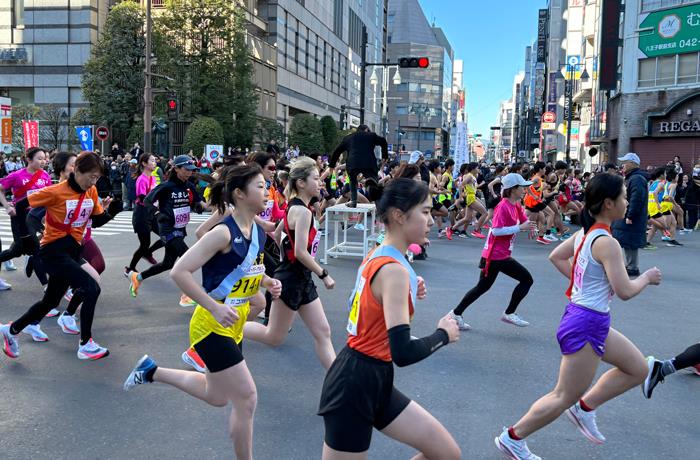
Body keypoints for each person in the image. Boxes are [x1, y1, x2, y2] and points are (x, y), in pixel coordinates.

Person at [495, 173, 662, 460]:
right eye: (623, 197)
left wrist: (583, 284)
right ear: (609, 204)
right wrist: (646, 277)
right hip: (586, 322)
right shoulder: (607, 243)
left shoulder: (585, 233)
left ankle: (584, 408)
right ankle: (513, 438)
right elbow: (624, 291)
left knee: (638, 369)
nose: (626, 201)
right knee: (563, 395)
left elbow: (556, 257)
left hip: (589, 318)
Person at [123, 164, 282, 459]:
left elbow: (244, 271)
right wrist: (213, 307)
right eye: (260, 186)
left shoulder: (257, 230)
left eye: (266, 184)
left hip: (233, 323)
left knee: (217, 396)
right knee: (246, 398)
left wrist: (268, 281)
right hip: (210, 324)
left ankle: (151, 372)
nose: (266, 190)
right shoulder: (222, 233)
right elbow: (180, 272)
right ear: (239, 193)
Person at [318, 178, 461, 460]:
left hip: (376, 379)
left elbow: (371, 302)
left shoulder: (382, 256)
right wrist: (443, 335)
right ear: (398, 215)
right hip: (354, 383)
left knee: (446, 453)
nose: (431, 220)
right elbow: (403, 352)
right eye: (425, 211)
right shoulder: (393, 270)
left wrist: (410, 282)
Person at [1, 152, 122, 360]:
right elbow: (21, 206)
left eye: (96, 177)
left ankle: (11, 331)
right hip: (53, 250)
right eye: (91, 176)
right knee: (91, 286)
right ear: (76, 171)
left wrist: (114, 213)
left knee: (50, 302)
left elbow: (98, 220)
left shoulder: (91, 192)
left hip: (73, 250)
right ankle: (86, 343)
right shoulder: (55, 191)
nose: (93, 181)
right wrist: (25, 237)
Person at [243, 157, 337, 369]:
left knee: (323, 332)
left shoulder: (295, 207)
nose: (320, 182)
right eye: (316, 178)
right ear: (301, 183)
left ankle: (339, 380)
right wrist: (324, 274)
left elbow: (277, 234)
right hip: (292, 280)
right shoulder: (302, 211)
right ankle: (225, 329)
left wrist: (287, 259)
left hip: (299, 278)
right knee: (273, 336)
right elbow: (300, 252)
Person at [448, 173, 536, 331]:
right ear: (512, 189)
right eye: (522, 187)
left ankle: (456, 314)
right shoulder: (503, 206)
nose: (524, 189)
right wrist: (519, 228)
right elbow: (495, 231)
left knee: (482, 287)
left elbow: (524, 221)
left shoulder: (515, 204)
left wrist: (531, 227)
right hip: (495, 256)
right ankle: (509, 313)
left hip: (500, 255)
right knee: (526, 279)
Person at [128, 155, 203, 297]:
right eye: (186, 169)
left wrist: (202, 207)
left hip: (180, 228)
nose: (189, 173)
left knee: (167, 264)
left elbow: (200, 204)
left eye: (191, 170)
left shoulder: (189, 186)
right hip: (168, 229)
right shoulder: (166, 186)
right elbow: (148, 201)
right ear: (176, 169)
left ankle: (137, 277)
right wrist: (157, 214)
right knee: (188, 258)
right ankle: (188, 295)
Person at [0, 147, 52, 280]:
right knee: (18, 250)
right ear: (29, 159)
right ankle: (46, 285)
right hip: (20, 217)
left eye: (44, 159)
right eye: (39, 159)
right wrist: (7, 206)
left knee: (38, 247)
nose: (43, 161)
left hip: (37, 218)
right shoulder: (17, 175)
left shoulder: (45, 176)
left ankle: (44, 280)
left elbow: (50, 197)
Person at [329, 125, 388, 208]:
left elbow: (337, 151)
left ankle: (353, 201)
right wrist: (385, 156)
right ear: (366, 130)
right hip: (369, 162)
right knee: (374, 180)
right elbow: (383, 141)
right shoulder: (371, 135)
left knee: (352, 181)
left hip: (353, 163)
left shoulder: (348, 138)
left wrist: (331, 165)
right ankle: (372, 183)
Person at [125, 153, 164, 277]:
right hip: (142, 214)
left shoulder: (153, 177)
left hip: (152, 213)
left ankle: (148, 253)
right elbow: (142, 199)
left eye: (155, 160)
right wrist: (155, 209)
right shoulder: (141, 179)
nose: (155, 162)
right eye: (152, 161)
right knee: (144, 245)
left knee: (166, 236)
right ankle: (130, 268)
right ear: (144, 164)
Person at [612, 153, 649, 277]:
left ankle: (632, 267)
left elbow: (636, 198)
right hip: (628, 214)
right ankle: (630, 265)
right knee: (628, 241)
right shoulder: (633, 177)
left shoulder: (636, 178)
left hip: (631, 216)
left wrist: (630, 215)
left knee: (630, 242)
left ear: (633, 164)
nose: (623, 165)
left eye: (625, 162)